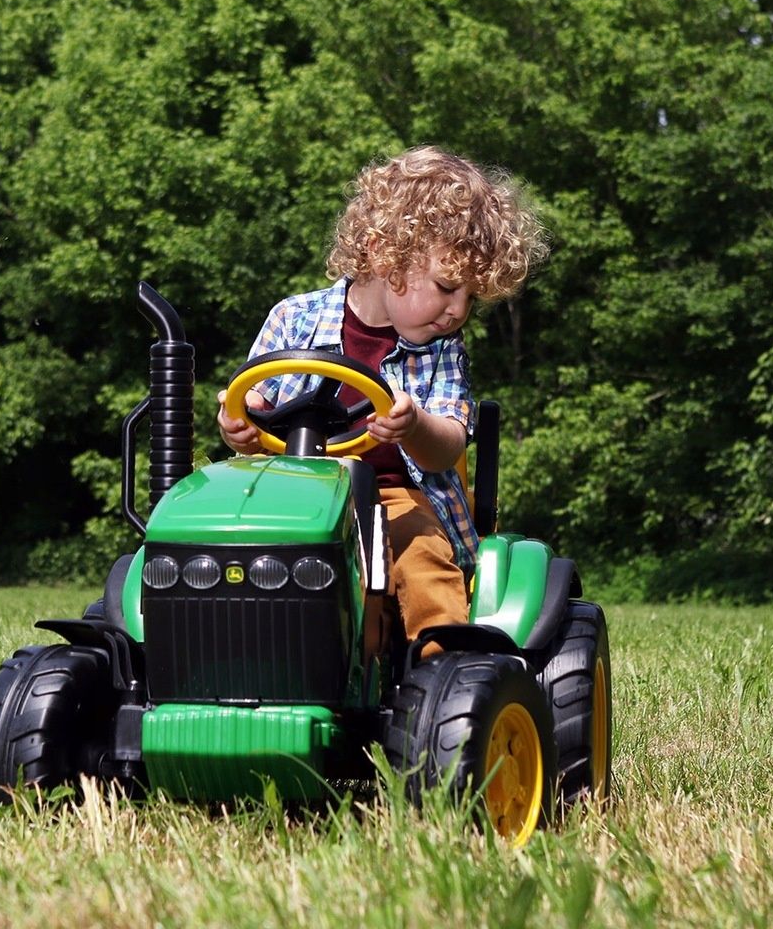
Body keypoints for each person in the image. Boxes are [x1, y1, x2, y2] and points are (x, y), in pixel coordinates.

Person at [217, 146, 548, 651]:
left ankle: (444, 675)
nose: (457, 310)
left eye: (470, 298)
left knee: (422, 563)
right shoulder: (294, 319)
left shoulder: (441, 351)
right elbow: (250, 405)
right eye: (446, 286)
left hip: (394, 501)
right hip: (292, 495)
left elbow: (447, 448)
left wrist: (415, 426)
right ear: (382, 251)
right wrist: (237, 427)